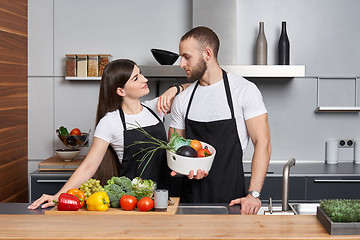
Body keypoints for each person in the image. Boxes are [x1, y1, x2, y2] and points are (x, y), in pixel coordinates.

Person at [29, 59, 187, 209]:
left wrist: (174, 89)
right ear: (120, 91)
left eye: (141, 74)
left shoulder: (155, 108)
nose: (144, 79)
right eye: (136, 78)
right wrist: (58, 196)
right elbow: (88, 166)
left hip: (163, 199)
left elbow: (194, 87)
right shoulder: (110, 122)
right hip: (131, 203)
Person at [169, 26, 271, 215]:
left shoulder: (244, 91)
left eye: (186, 56)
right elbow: (174, 147)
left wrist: (254, 193)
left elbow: (262, 143)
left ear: (207, 53)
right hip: (190, 201)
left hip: (232, 201)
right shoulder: (183, 99)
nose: (181, 63)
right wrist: (182, 167)